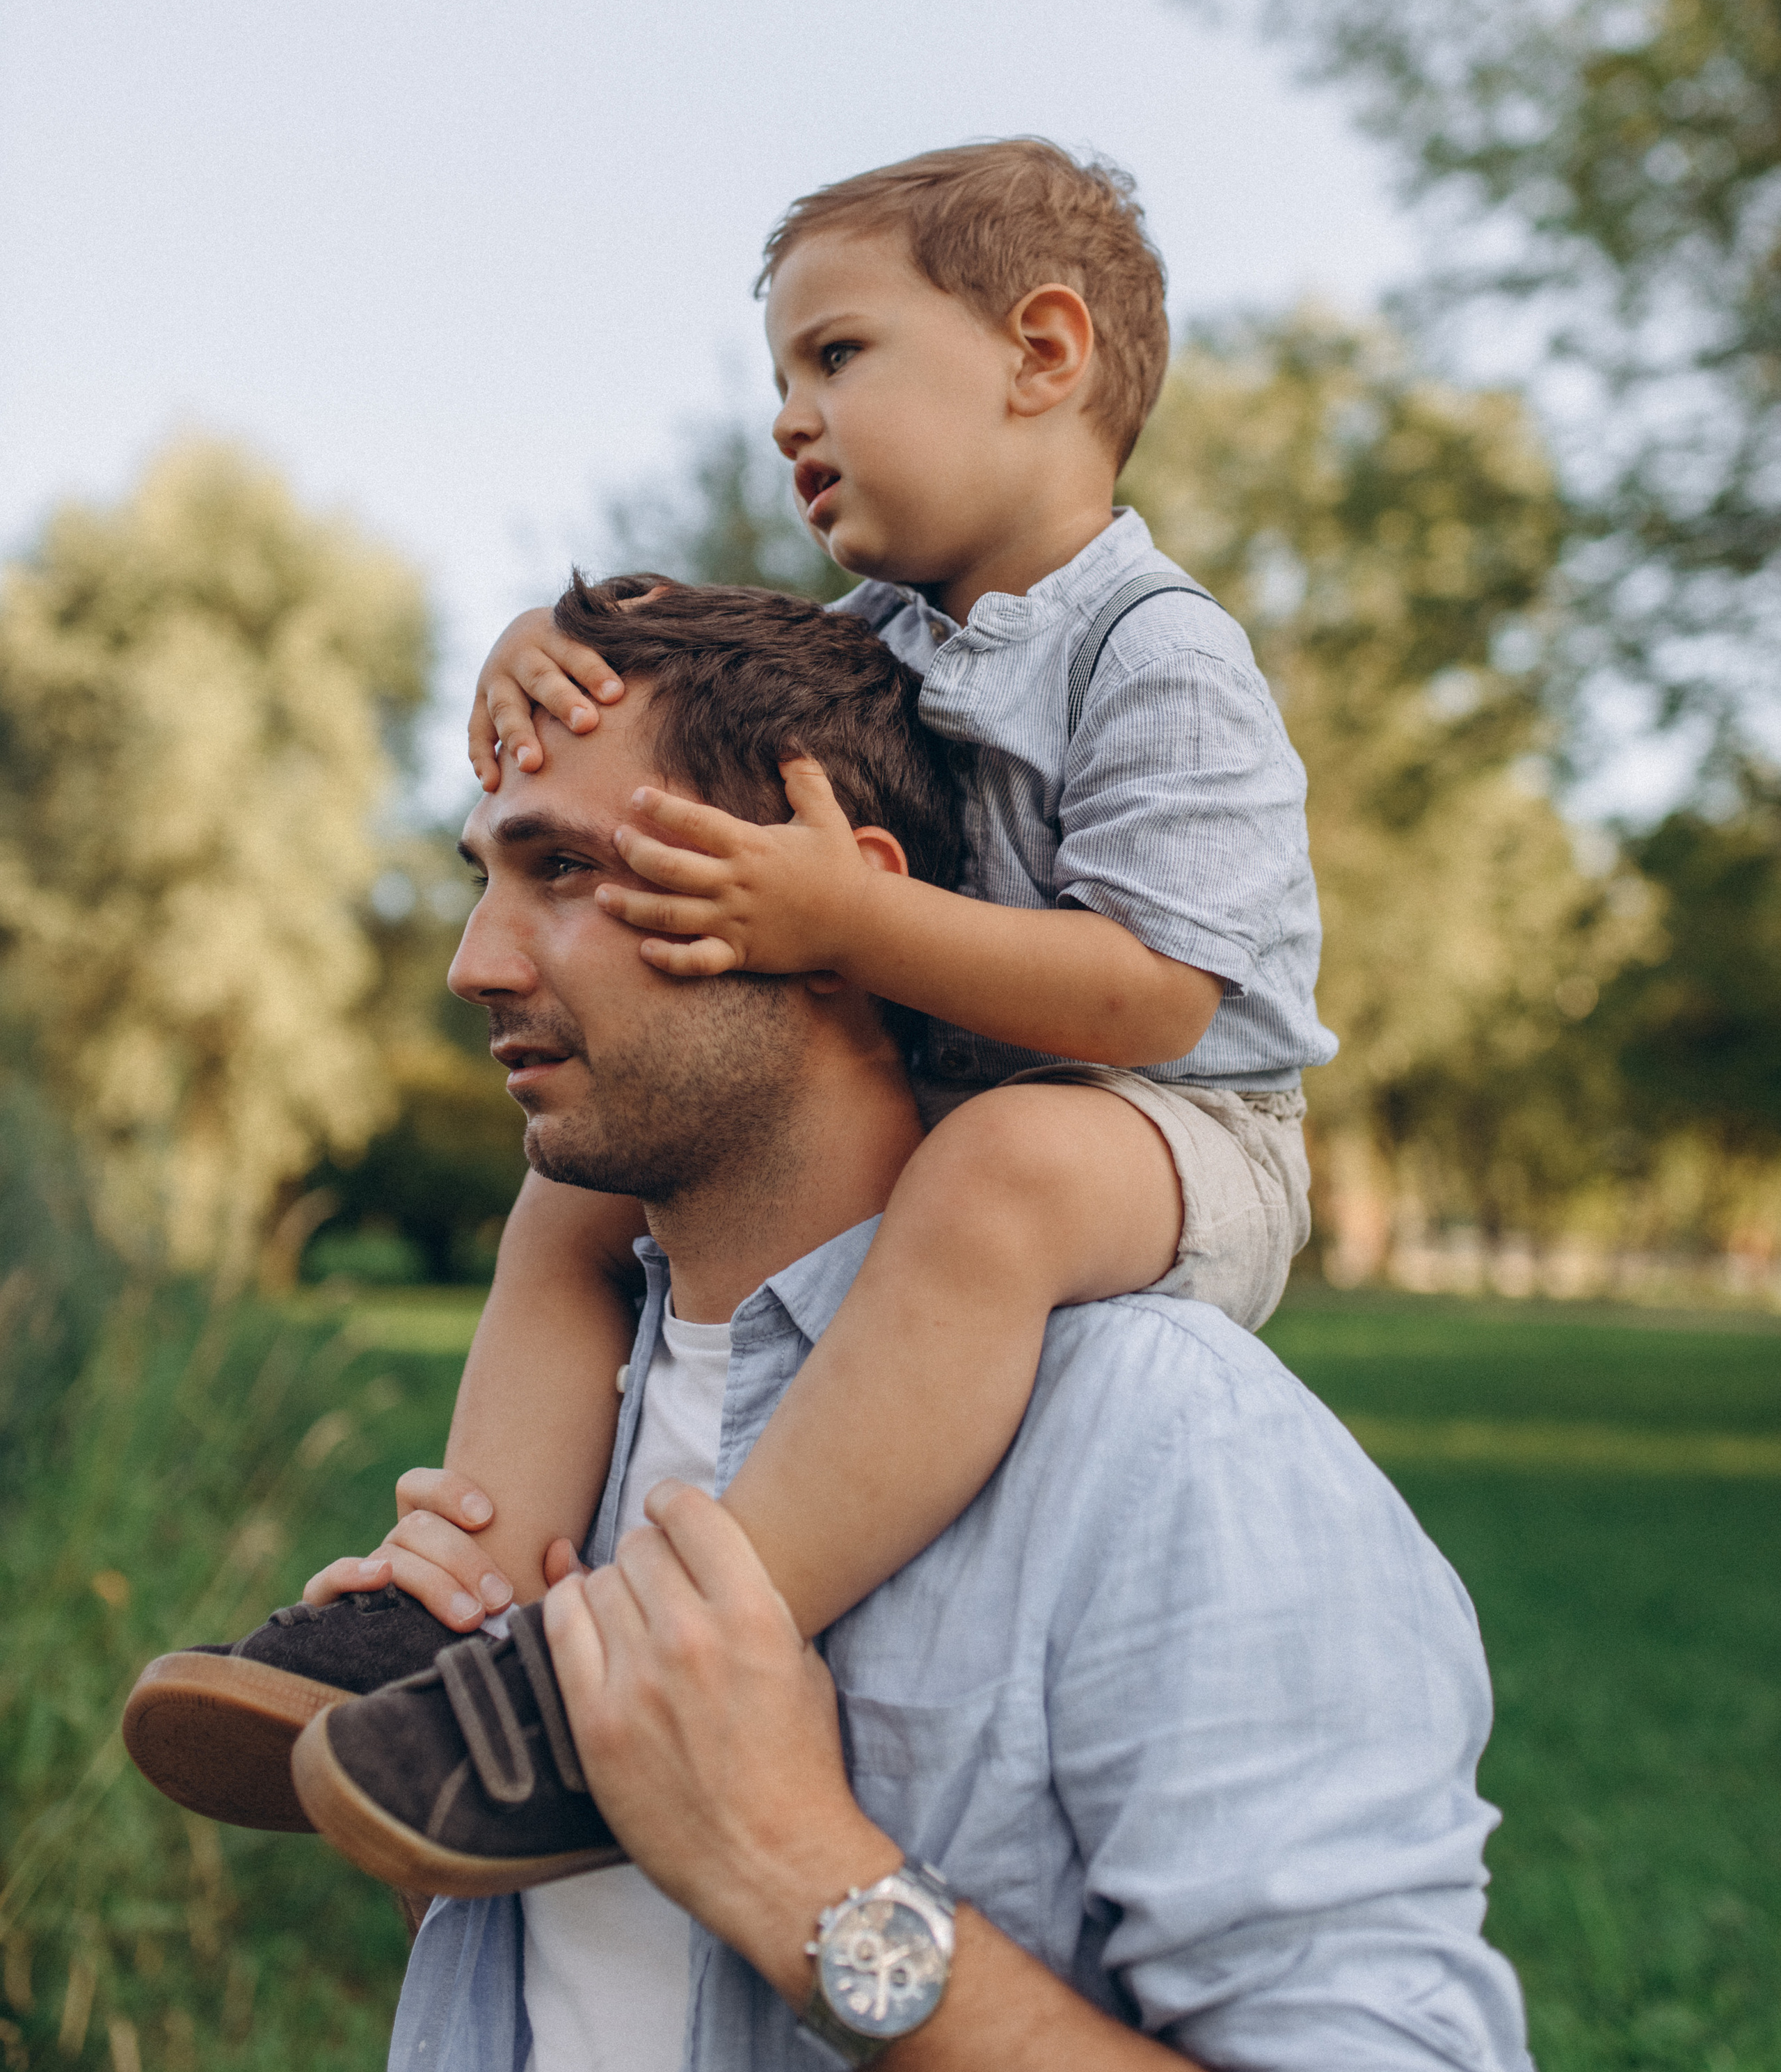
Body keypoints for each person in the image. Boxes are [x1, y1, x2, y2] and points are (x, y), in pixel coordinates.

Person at [122, 138, 1341, 1837]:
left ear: (1041, 356)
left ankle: (664, 1649)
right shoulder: (897, 637)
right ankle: (438, 1603)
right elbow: (710, 678)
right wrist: (533, 653)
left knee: (1006, 1173)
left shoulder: (1157, 653)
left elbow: (1156, 1003)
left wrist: (844, 921)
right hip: (984, 1082)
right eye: (779, 373)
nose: (787, 415)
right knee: (574, 1198)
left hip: (1179, 1129)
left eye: (835, 356)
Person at [303, 589, 1533, 2072]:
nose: (473, 964)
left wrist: (792, 1867)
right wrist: (434, 1826)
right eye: (484, 873)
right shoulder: (565, 1433)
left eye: (566, 869)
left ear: (837, 920)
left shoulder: (1164, 1447)